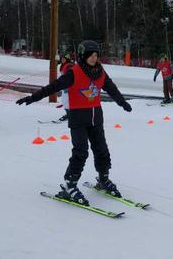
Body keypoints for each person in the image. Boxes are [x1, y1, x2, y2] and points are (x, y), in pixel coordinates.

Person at [16, 40, 132, 205]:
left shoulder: (100, 72)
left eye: (96, 55)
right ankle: (69, 185)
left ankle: (103, 179)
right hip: (78, 118)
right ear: (83, 56)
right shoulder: (74, 73)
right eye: (91, 55)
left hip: (96, 117)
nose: (94, 58)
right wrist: (32, 98)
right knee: (81, 151)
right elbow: (52, 87)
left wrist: (122, 103)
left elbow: (111, 88)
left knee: (102, 150)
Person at [57, 52, 74, 122]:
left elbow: (69, 77)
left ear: (67, 59)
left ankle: (70, 115)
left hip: (68, 87)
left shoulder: (69, 66)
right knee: (64, 101)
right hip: (64, 86)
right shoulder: (64, 65)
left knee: (66, 101)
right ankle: (69, 114)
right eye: (62, 59)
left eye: (64, 59)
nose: (62, 60)